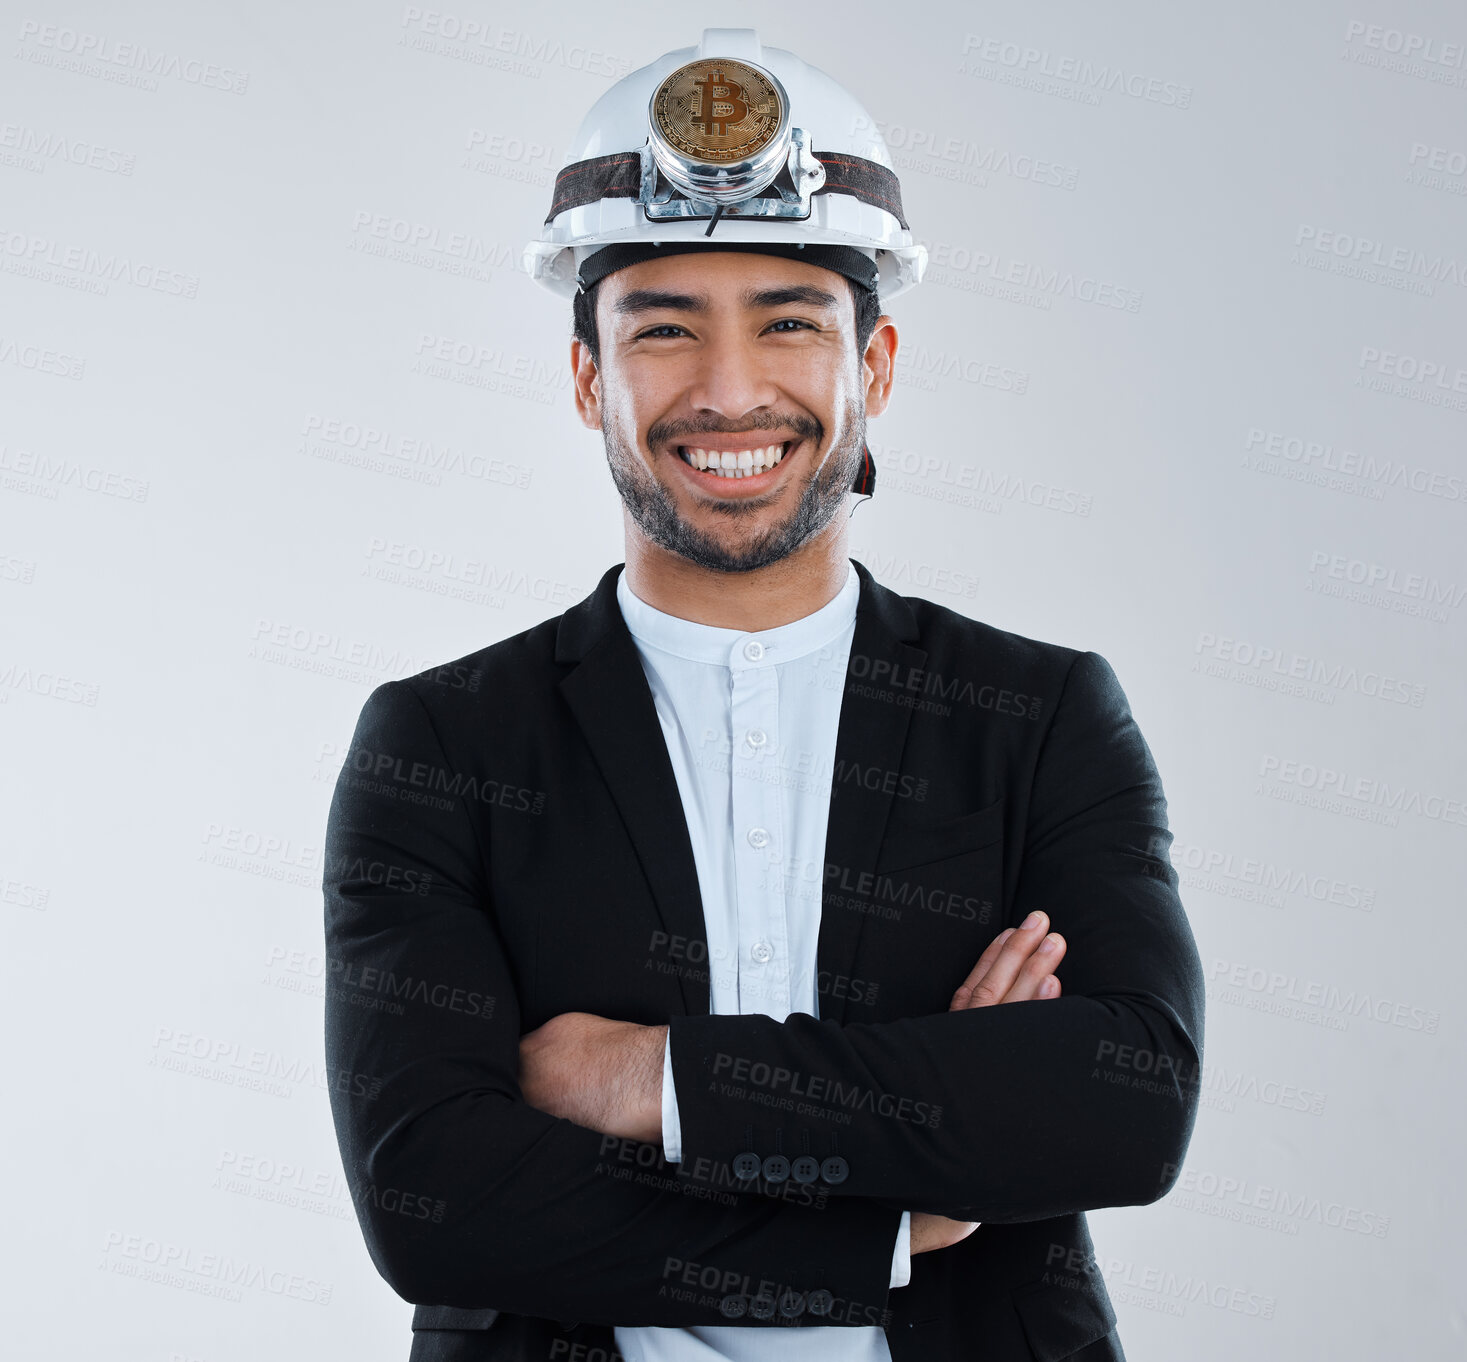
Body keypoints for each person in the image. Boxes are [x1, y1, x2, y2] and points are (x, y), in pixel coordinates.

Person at [323, 28, 1205, 1362]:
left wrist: (649, 1080)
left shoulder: (1044, 717)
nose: (730, 389)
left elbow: (1126, 1103)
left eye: (789, 320)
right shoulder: (441, 743)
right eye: (663, 329)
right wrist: (904, 1192)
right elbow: (433, 1198)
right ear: (587, 380)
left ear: (879, 368)